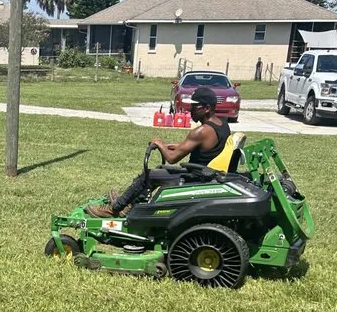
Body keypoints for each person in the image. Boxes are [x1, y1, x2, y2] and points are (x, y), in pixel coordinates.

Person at [85, 86, 231, 217]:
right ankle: (129, 204)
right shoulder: (222, 124)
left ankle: (115, 208)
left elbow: (172, 158)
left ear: (206, 108)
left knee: (149, 175)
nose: (190, 109)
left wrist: (161, 145)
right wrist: (168, 145)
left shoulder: (202, 131)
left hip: (196, 178)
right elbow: (193, 147)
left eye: (194, 106)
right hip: (207, 174)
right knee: (160, 171)